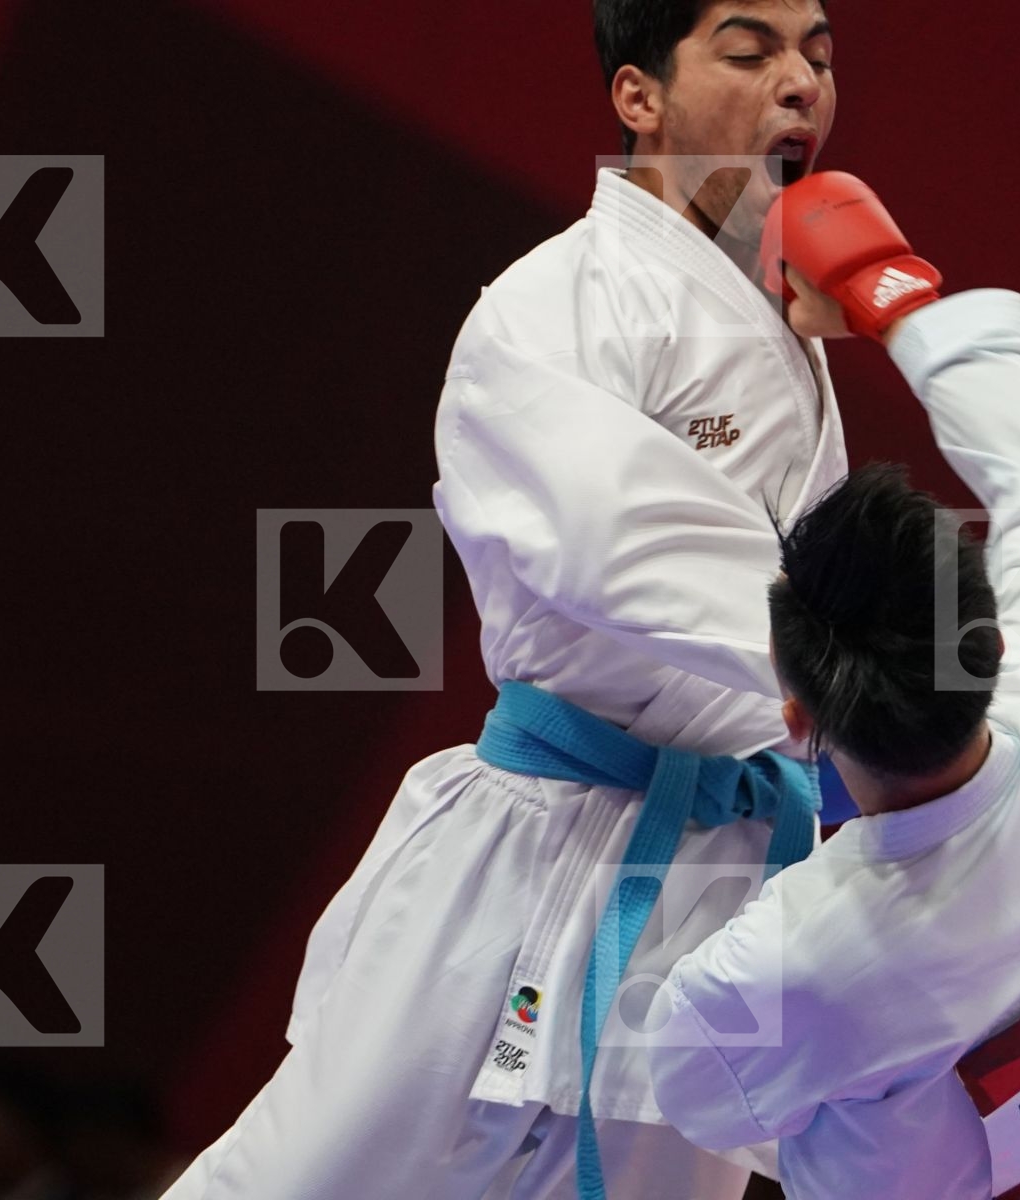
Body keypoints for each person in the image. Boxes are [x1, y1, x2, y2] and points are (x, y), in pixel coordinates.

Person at [162, 3, 854, 1197]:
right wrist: (877, 674)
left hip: (725, 874)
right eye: (750, 53)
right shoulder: (551, 306)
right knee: (299, 1182)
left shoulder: (795, 326)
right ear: (638, 98)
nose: (801, 83)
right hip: (540, 840)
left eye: (821, 55)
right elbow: (612, 540)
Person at [645, 171, 1020, 1198]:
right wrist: (894, 297)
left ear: (796, 719)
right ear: (993, 647)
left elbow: (698, 1097)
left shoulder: (785, 967)